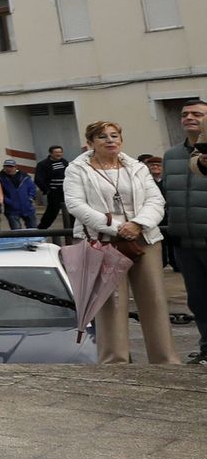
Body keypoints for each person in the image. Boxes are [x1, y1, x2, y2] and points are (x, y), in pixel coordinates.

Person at [63, 121, 173, 365]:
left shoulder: (136, 167)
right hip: (101, 241)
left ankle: (165, 361)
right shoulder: (76, 169)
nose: (110, 140)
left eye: (114, 136)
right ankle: (115, 363)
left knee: (153, 299)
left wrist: (138, 224)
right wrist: (116, 228)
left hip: (143, 238)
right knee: (110, 303)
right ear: (90, 143)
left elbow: (155, 200)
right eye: (102, 137)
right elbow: (76, 205)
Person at [161, 100, 207, 364]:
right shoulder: (171, 156)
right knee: (199, 301)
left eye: (197, 114)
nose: (189, 117)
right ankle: (206, 348)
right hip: (185, 241)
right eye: (185, 114)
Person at [36, 146, 71, 232]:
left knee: (72, 211)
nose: (59, 154)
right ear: (51, 153)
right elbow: (38, 179)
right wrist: (47, 190)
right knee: (52, 211)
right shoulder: (43, 164)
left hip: (67, 191)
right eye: (56, 152)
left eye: (60, 152)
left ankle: (72, 230)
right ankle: (41, 230)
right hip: (54, 192)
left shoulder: (65, 162)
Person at [0, 163, 38, 230]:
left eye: (11, 167)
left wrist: (30, 198)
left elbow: (32, 188)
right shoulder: (0, 179)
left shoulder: (25, 177)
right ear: (4, 168)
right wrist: (8, 201)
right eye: (7, 167)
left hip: (27, 207)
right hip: (12, 209)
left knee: (33, 229)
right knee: (16, 231)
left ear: (16, 167)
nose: (9, 169)